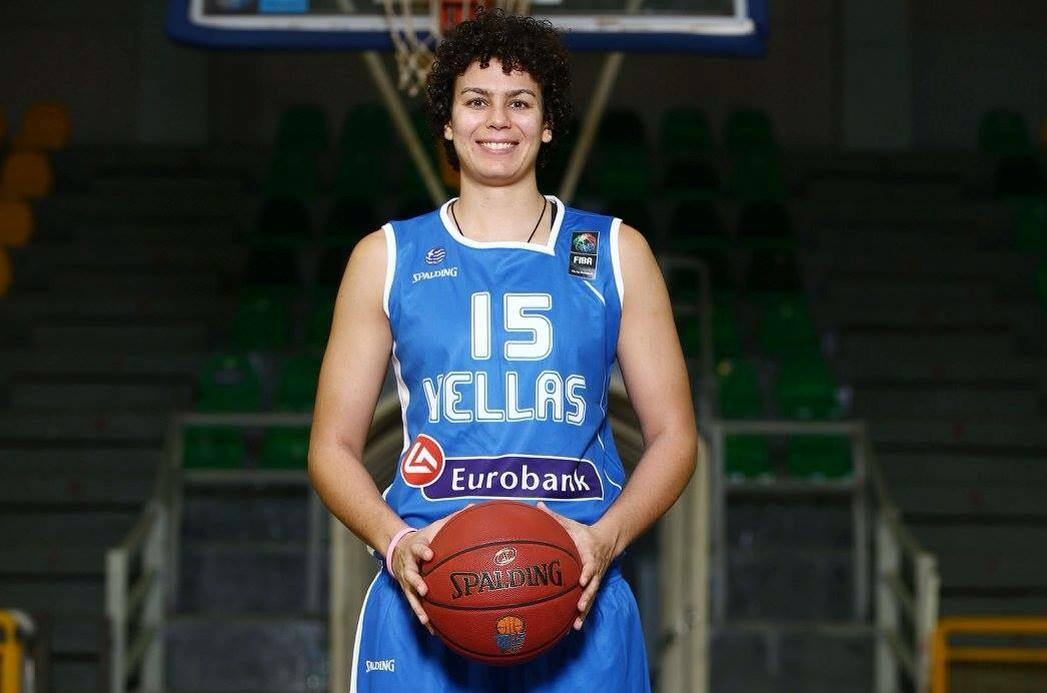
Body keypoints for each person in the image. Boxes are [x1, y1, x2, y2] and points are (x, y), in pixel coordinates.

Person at [308, 8, 697, 691]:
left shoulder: (613, 251)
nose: (497, 120)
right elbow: (330, 448)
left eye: (520, 102)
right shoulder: (387, 257)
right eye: (476, 101)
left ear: (547, 124)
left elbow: (674, 437)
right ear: (447, 120)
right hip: (428, 593)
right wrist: (395, 541)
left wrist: (605, 537)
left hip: (578, 591)